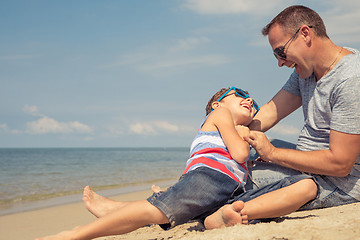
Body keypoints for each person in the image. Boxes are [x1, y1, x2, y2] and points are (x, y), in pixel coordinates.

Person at [35, 87, 317, 240]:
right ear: (217, 104)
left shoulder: (232, 128)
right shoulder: (219, 119)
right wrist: (246, 135)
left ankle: (215, 218)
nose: (249, 99)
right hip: (211, 180)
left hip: (231, 193)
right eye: (239, 94)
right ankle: (75, 235)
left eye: (250, 99)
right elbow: (241, 155)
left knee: (305, 186)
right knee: (155, 212)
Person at [204, 5, 360, 229]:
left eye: (280, 52)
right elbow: (269, 112)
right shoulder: (307, 69)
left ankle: (192, 205)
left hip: (338, 182)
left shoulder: (351, 79)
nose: (280, 62)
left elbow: (340, 164)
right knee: (240, 162)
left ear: (305, 34)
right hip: (309, 162)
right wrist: (227, 129)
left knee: (236, 179)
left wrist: (273, 153)